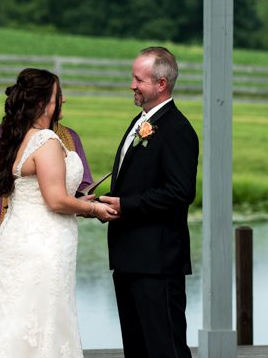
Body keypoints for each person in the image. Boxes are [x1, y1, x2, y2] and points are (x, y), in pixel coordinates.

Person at [0, 68, 117, 358]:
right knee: (33, 316)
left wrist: (85, 200)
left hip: (30, 235)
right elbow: (54, 199)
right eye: (59, 96)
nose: (65, 101)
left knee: (17, 317)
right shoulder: (29, 138)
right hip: (33, 237)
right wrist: (93, 208)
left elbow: (72, 186)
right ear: (44, 102)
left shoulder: (63, 137)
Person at [98, 47, 198, 358]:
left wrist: (125, 205)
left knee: (165, 348)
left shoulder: (178, 129)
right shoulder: (139, 122)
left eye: (138, 79)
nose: (132, 85)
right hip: (129, 257)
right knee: (137, 349)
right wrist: (102, 203)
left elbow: (180, 192)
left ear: (161, 84)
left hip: (158, 261)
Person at [0, 82, 94, 225]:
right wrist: (16, 134)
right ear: (40, 104)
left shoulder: (70, 136)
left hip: (57, 226)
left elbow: (84, 185)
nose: (64, 100)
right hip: (10, 224)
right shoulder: (1, 132)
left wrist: (89, 205)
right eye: (58, 96)